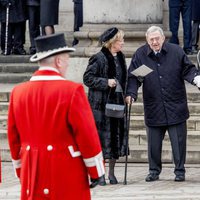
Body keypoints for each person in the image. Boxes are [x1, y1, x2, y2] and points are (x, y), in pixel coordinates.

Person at [7, 33, 105, 200]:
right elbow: (87, 136)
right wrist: (96, 171)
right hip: (65, 170)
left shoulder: (18, 92)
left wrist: (20, 169)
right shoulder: (72, 91)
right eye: (66, 59)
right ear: (58, 61)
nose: (67, 64)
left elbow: (14, 138)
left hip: (32, 170)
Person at [126, 26, 200, 182]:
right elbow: (134, 78)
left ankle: (179, 171)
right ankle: (153, 170)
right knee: (153, 144)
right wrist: (131, 94)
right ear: (147, 41)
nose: (154, 42)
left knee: (178, 143)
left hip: (176, 106)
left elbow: (188, 70)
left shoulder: (176, 52)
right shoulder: (141, 55)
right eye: (151, 40)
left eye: (157, 39)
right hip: (154, 107)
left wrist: (196, 79)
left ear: (163, 38)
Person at [83, 27, 128, 185]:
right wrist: (105, 82)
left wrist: (127, 94)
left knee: (115, 139)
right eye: (120, 40)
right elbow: (87, 78)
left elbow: (124, 80)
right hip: (100, 106)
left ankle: (111, 173)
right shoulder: (99, 58)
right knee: (101, 141)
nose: (123, 43)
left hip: (116, 104)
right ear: (112, 42)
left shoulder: (121, 58)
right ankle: (99, 174)